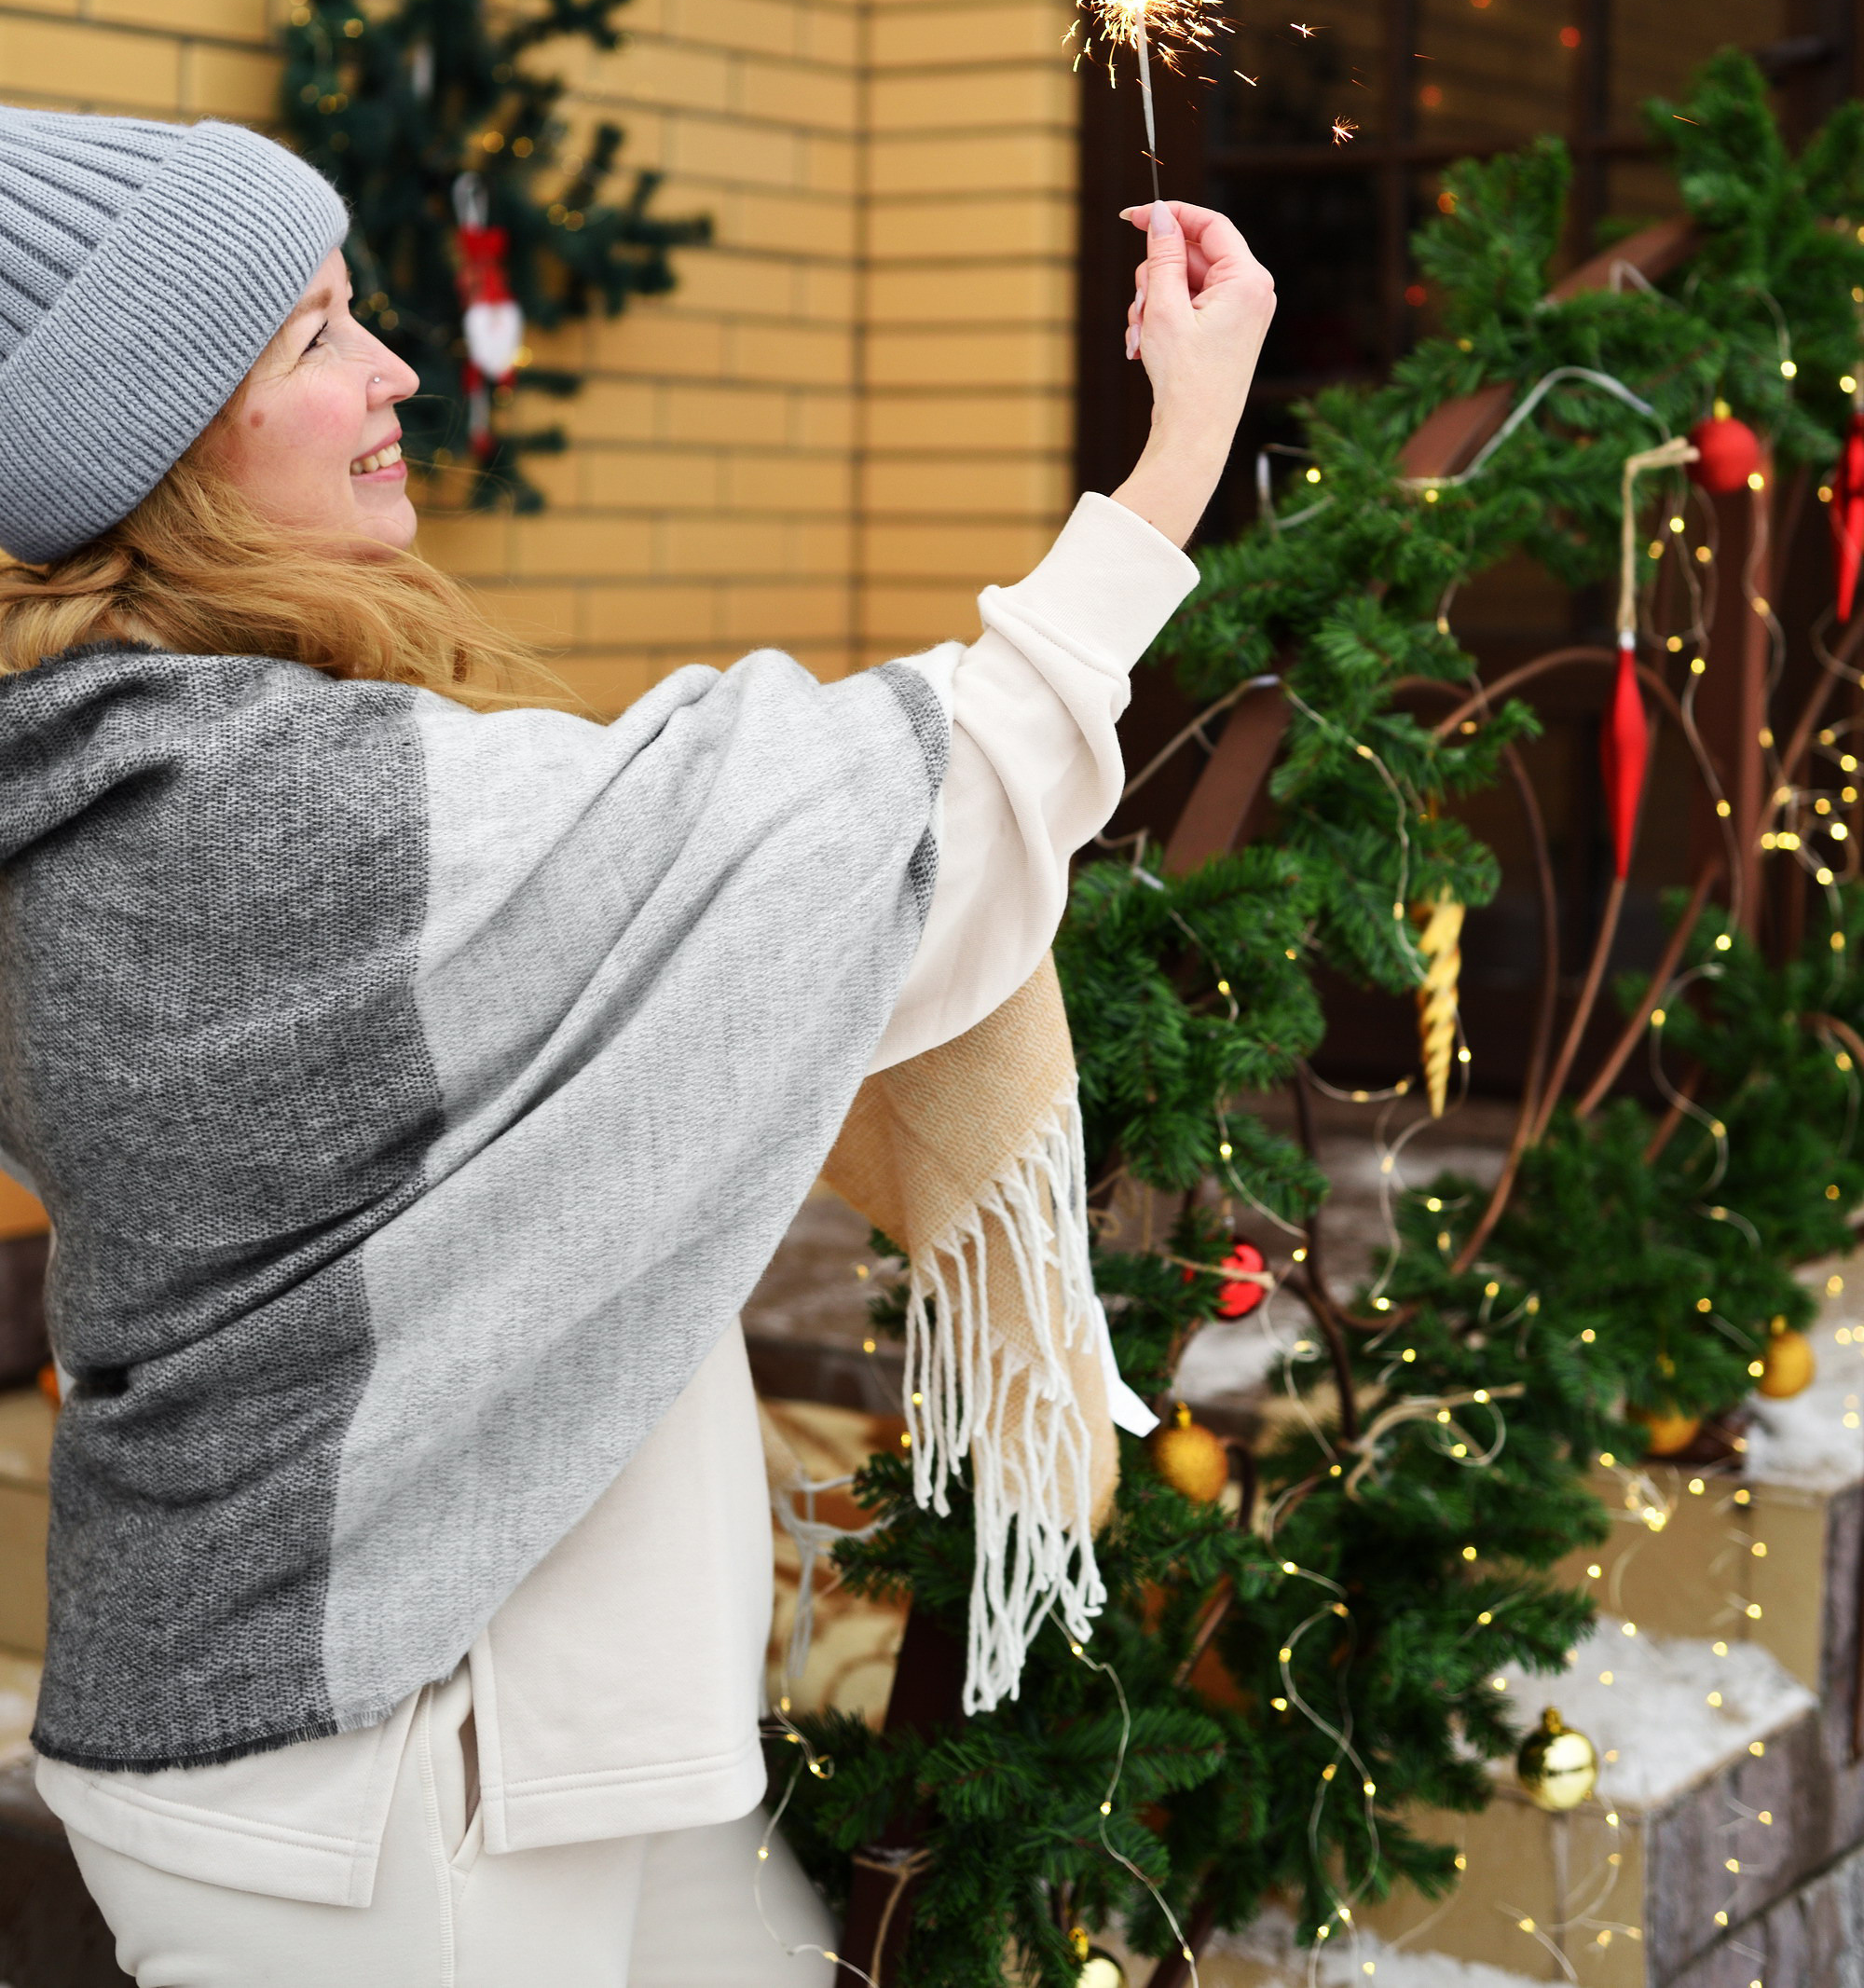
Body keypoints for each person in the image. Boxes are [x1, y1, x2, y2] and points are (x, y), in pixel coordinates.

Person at [0, 104, 1272, 1986]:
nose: (396, 368)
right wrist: (1174, 459)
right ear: (169, 445)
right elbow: (865, 829)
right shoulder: (262, 819)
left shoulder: (120, 779)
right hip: (380, 1800)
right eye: (315, 335)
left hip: (482, 1740)